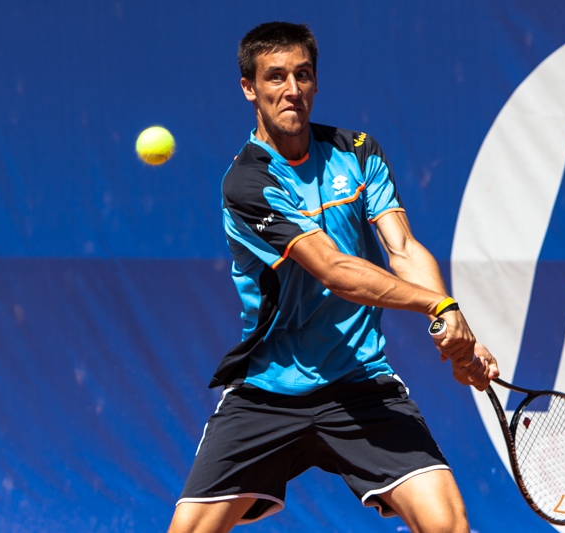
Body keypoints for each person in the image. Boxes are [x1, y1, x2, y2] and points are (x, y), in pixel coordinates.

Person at [168, 21, 499, 533]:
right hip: (267, 390)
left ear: (316, 82)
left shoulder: (359, 151)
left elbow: (404, 249)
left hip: (359, 383)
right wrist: (437, 308)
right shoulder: (248, 182)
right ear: (249, 89)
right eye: (275, 77)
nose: (292, 90)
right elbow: (336, 272)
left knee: (448, 525)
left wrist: (456, 330)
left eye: (302, 75)